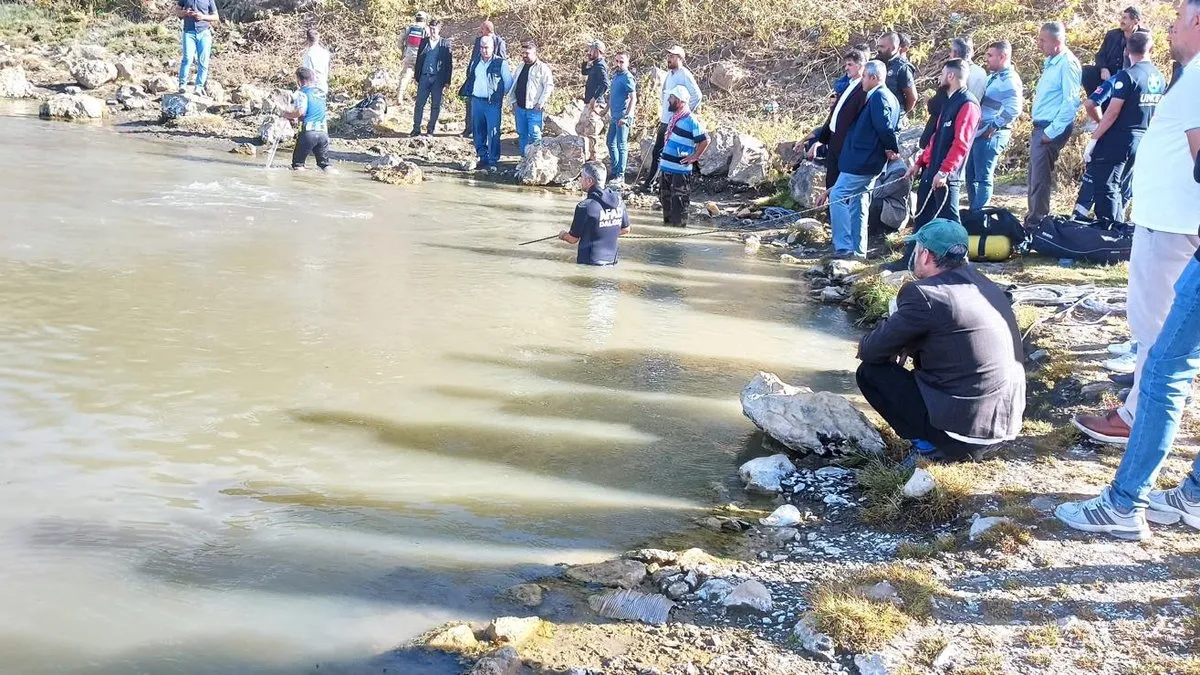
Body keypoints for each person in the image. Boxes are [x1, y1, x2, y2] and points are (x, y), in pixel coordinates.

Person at [1055, 150, 1200, 541]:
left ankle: (1124, 504)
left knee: (1165, 368)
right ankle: (1196, 495)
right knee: (1166, 364)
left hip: (1175, 227)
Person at [1072, 5, 1200, 446]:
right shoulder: (1185, 76)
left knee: (1155, 327)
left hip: (1171, 223)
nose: (1170, 26)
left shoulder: (1198, 76)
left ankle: (1137, 418)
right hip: (1173, 221)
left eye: (1178, 18)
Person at [857, 219, 1026, 464]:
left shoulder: (924, 294)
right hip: (1003, 431)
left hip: (963, 438)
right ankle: (939, 440)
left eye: (915, 250)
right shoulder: (986, 285)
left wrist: (900, 342)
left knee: (870, 373)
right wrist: (910, 342)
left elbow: (871, 351)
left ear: (925, 255)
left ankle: (929, 449)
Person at [886, 59, 981, 271]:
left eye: (942, 74)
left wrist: (945, 171)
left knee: (951, 220)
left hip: (946, 176)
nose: (938, 78)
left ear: (951, 76)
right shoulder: (948, 102)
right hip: (931, 171)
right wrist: (919, 162)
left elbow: (961, 143)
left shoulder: (967, 104)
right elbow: (935, 139)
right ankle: (908, 261)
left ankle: (962, 268)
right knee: (922, 219)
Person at [1079, 32, 1165, 222]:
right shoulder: (1159, 77)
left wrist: (1095, 138)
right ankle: (1120, 230)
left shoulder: (1127, 76)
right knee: (1123, 186)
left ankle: (1110, 232)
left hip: (1120, 138)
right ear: (1151, 49)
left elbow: (1112, 112)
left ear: (1126, 50)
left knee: (1109, 186)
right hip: (1144, 137)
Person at [828, 60, 901, 260]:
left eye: (864, 78)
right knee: (859, 202)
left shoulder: (880, 97)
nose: (861, 81)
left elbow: (885, 127)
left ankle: (844, 247)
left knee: (838, 195)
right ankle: (858, 250)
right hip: (866, 160)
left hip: (863, 161)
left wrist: (891, 147)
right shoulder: (888, 97)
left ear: (873, 77)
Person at [1027, 21, 1082, 226]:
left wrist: (1052, 131)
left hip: (1050, 127)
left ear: (1057, 41)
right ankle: (1033, 221)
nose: (1039, 44)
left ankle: (1038, 224)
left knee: (1040, 180)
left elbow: (1071, 101)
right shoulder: (1052, 61)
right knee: (1034, 176)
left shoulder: (1067, 63)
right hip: (1041, 126)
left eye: (1043, 40)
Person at [799, 49, 869, 195]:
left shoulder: (863, 88)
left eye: (850, 64)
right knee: (831, 181)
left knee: (841, 186)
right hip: (834, 140)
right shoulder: (849, 84)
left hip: (847, 144)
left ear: (861, 65)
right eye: (846, 65)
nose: (846, 68)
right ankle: (831, 214)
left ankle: (838, 215)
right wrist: (822, 139)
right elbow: (834, 115)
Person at [965, 40, 1023, 213]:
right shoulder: (994, 77)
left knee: (983, 177)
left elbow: (1014, 109)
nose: (986, 59)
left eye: (990, 55)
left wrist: (994, 126)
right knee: (970, 176)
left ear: (1002, 56)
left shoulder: (1010, 80)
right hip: (979, 132)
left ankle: (979, 215)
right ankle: (973, 213)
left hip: (991, 134)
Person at [639, 46, 703, 192]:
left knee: (664, 152)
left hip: (675, 122)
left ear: (680, 59)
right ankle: (654, 183)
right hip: (666, 119)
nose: (669, 59)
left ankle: (652, 183)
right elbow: (665, 95)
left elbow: (697, 96)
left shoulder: (684, 74)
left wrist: (683, 113)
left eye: (673, 56)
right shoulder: (670, 74)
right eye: (668, 56)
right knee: (658, 152)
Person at [558, 162, 631, 265]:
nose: (580, 180)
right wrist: (605, 231)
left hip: (589, 264)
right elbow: (626, 229)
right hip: (613, 262)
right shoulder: (619, 201)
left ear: (589, 181)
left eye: (581, 177)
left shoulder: (585, 206)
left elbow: (572, 239)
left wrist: (562, 235)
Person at [458, 36, 513, 171]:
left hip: (492, 102)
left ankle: (493, 160)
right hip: (476, 101)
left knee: (493, 131)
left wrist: (499, 95)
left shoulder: (501, 63)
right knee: (478, 130)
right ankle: (482, 157)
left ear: (493, 48)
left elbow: (509, 83)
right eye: (481, 47)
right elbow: (471, 77)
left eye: (486, 47)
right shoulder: (476, 61)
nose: (483, 50)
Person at [658, 86, 710, 227]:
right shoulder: (674, 117)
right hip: (666, 169)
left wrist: (694, 156)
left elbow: (705, 140)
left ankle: (677, 240)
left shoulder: (691, 120)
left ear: (680, 101)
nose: (669, 100)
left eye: (672, 98)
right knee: (666, 207)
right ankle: (666, 237)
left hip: (680, 171)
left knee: (679, 208)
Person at [462, 21, 508, 139]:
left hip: (492, 81)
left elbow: (502, 60)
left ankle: (490, 131)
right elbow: (473, 57)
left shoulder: (499, 42)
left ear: (488, 30)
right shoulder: (479, 41)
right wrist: (469, 73)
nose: (480, 31)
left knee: (491, 108)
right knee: (471, 103)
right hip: (477, 77)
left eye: (482, 29)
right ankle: (469, 129)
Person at [508, 41, 554, 156]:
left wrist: (541, 102)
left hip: (534, 108)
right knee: (522, 134)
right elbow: (514, 84)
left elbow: (549, 86)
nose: (524, 56)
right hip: (520, 107)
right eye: (523, 53)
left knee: (535, 134)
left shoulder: (542, 68)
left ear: (534, 53)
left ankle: (537, 158)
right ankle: (524, 159)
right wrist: (513, 101)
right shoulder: (520, 67)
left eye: (527, 53)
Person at [281, 67, 331, 172]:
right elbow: (316, 110)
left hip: (308, 133)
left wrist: (286, 115)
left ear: (299, 80)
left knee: (298, 165)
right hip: (323, 133)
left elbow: (301, 111)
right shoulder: (321, 93)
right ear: (313, 78)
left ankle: (299, 185)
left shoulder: (301, 93)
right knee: (325, 165)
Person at [1088, 6, 1150, 90]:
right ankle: (1096, 99)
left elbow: (1145, 61)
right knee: (1087, 71)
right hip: (1109, 73)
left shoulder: (1144, 37)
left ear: (1135, 22)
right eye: (1121, 18)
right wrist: (1103, 68)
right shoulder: (1112, 35)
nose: (1121, 21)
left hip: (1131, 75)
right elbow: (1100, 55)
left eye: (1125, 18)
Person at [411, 19, 453, 137]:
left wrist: (447, 81)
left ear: (439, 30)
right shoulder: (424, 42)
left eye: (434, 29)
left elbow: (449, 64)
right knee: (419, 104)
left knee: (435, 105)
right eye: (431, 29)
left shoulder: (445, 43)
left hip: (438, 79)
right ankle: (416, 128)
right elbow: (419, 59)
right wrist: (416, 76)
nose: (432, 31)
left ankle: (431, 129)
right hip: (424, 77)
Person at [606, 52, 637, 186]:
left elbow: (633, 98)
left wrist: (627, 117)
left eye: (622, 62)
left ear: (627, 63)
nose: (618, 64)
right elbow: (613, 95)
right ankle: (615, 169)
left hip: (622, 117)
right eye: (617, 61)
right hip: (614, 116)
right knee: (610, 142)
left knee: (621, 145)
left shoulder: (627, 77)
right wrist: (605, 109)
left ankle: (620, 175)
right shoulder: (616, 76)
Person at [176, 0, 219, 96]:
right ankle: (182, 85)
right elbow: (177, 10)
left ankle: (199, 87)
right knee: (187, 58)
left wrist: (202, 17)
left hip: (204, 32)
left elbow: (216, 16)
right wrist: (185, 13)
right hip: (189, 32)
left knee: (203, 61)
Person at [579, 40, 610, 162]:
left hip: (595, 104)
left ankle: (594, 159)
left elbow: (605, 84)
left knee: (591, 131)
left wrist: (594, 98)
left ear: (597, 51)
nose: (589, 52)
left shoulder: (601, 65)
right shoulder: (595, 64)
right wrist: (586, 61)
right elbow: (584, 72)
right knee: (581, 128)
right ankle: (586, 157)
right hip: (589, 103)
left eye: (591, 50)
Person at [868, 154, 912, 238]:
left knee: (875, 202)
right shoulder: (887, 165)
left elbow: (878, 193)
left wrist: (875, 174)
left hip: (895, 213)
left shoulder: (899, 171)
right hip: (887, 204)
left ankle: (874, 232)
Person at [875, 31, 917, 120]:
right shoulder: (876, 63)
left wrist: (899, 113)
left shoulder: (902, 68)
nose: (878, 49)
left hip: (891, 117)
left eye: (882, 47)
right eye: (878, 46)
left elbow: (912, 97)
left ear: (893, 48)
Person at [397, 11, 429, 105]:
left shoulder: (409, 28)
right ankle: (420, 98)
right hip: (421, 56)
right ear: (425, 19)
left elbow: (400, 42)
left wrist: (403, 51)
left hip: (409, 54)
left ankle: (399, 97)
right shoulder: (426, 29)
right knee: (421, 76)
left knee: (405, 76)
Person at [951, 37, 988, 102]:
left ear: (954, 53)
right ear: (972, 52)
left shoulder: (952, 73)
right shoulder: (982, 72)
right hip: (976, 110)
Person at [301, 28, 330, 94]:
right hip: (323, 86)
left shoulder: (308, 54)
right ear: (318, 38)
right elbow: (326, 71)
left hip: (312, 89)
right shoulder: (325, 53)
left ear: (307, 39)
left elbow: (307, 74)